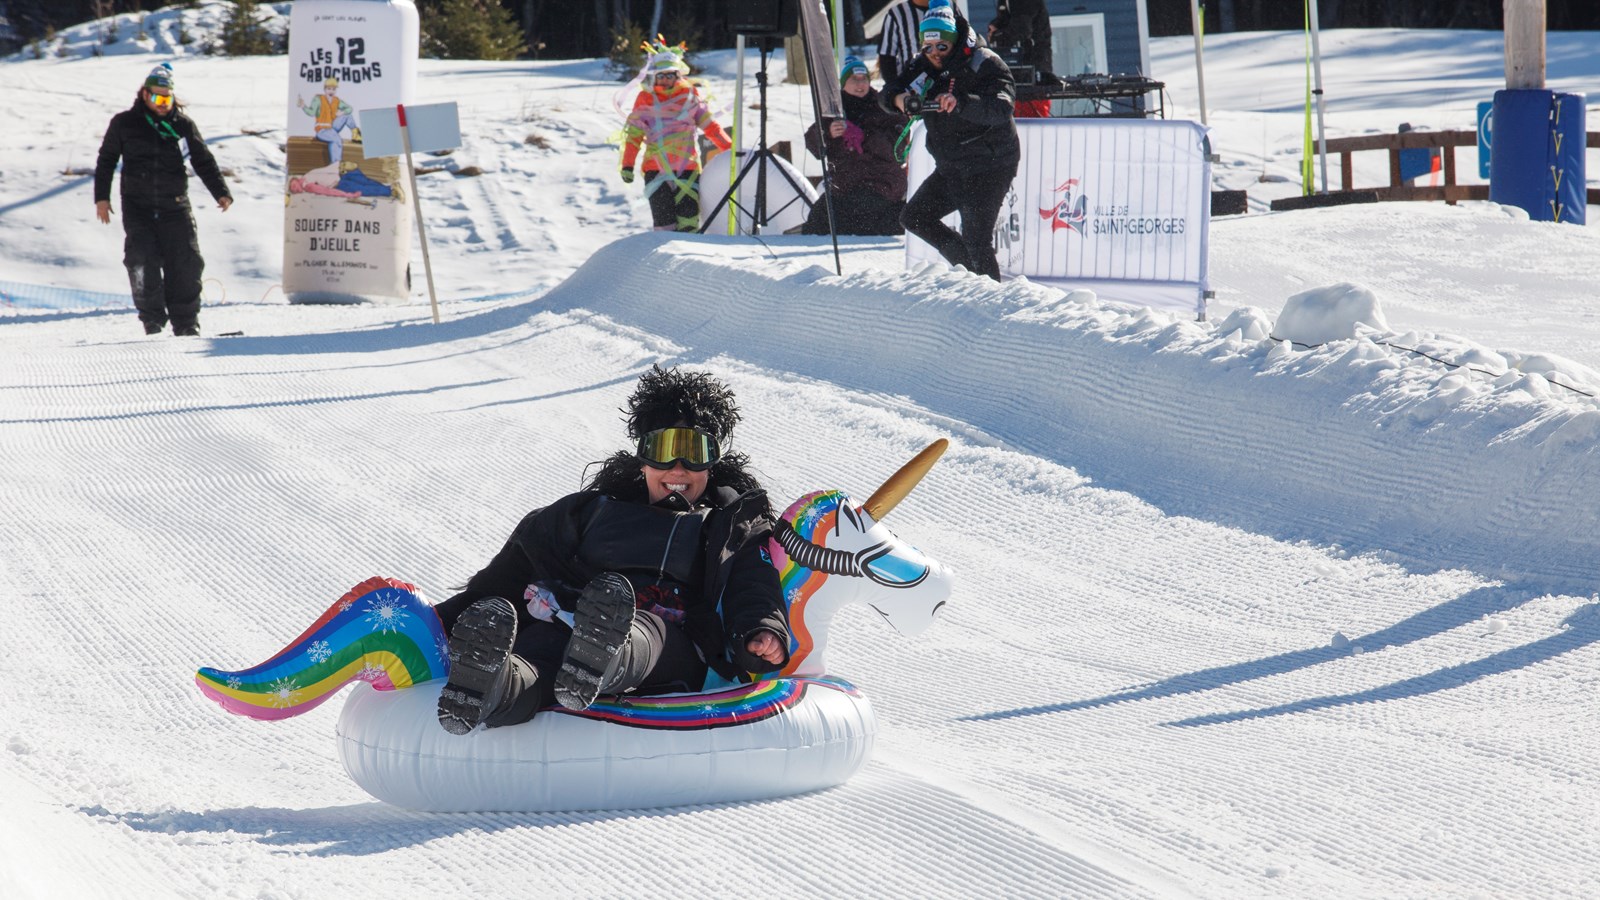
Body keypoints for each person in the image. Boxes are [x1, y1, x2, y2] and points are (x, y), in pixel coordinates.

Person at [432, 366, 792, 735]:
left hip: (670, 645)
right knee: (541, 652)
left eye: (693, 453)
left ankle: (606, 652)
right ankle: (497, 686)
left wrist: (761, 630)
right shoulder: (589, 512)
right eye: (663, 451)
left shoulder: (729, 525)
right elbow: (509, 573)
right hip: (571, 621)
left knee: (646, 634)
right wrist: (434, 623)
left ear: (712, 462)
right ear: (643, 459)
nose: (678, 468)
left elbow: (754, 586)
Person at [881, 0, 1020, 281]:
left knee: (976, 238)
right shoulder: (922, 65)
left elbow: (1002, 107)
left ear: (955, 41)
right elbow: (887, 92)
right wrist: (900, 99)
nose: (934, 54)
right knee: (914, 217)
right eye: (927, 47)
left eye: (941, 47)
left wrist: (961, 103)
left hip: (990, 163)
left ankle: (991, 296)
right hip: (952, 164)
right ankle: (969, 274)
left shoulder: (985, 62)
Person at [94, 63, 233, 337]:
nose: (162, 105)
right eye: (158, 99)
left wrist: (221, 192)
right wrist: (101, 198)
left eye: (167, 100)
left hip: (175, 205)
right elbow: (107, 160)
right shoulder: (124, 123)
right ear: (145, 94)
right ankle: (153, 321)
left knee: (186, 263)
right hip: (138, 206)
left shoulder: (182, 125)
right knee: (141, 260)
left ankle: (186, 323)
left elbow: (203, 160)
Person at [620, 41, 733, 232]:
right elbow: (634, 136)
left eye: (670, 75)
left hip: (687, 170)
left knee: (689, 225)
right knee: (664, 226)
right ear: (654, 77)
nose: (665, 80)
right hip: (656, 171)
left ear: (678, 75)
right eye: (661, 75)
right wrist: (627, 165)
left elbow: (711, 127)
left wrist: (730, 149)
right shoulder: (645, 100)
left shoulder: (690, 98)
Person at [800, 56, 908, 236]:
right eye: (854, 79)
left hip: (881, 183)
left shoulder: (884, 105)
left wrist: (864, 137)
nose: (860, 84)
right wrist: (828, 133)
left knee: (861, 214)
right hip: (844, 186)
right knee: (818, 220)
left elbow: (898, 147)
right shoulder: (833, 110)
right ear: (843, 84)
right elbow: (812, 144)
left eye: (864, 78)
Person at [987, 0, 1056, 118]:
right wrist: (994, 27)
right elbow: (1005, 19)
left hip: (1034, 70)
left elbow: (1022, 28)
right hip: (1016, 74)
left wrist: (998, 35)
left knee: (1033, 119)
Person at [876, 0, 964, 86]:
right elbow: (886, 57)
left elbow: (964, 40)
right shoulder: (897, 13)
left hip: (952, 82)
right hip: (913, 84)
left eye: (941, 46)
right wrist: (895, 89)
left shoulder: (951, 6)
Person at [297, 77, 357, 165]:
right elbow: (311, 112)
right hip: (322, 130)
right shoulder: (318, 99)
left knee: (347, 115)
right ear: (325, 89)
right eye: (329, 89)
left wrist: (342, 112)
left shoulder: (336, 100)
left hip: (332, 127)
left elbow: (350, 108)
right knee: (336, 139)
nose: (331, 91)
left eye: (333, 89)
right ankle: (335, 165)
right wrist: (303, 106)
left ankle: (356, 134)